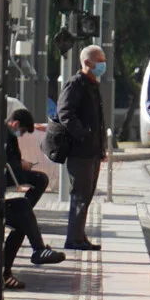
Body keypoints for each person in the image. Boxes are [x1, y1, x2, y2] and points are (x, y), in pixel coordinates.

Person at [1, 108, 64, 289]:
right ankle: (37, 250)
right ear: (15, 124)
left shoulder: (8, 136)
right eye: (21, 131)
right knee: (23, 211)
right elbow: (7, 163)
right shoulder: (2, 136)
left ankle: (7, 272)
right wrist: (21, 165)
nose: (20, 135)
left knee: (23, 214)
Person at [56, 45, 111, 251]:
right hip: (80, 152)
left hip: (92, 151)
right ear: (87, 62)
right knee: (80, 195)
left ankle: (79, 236)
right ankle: (74, 239)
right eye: (100, 60)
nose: (103, 64)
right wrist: (83, 134)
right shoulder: (75, 84)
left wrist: (100, 148)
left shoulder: (92, 84)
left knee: (86, 195)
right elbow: (65, 113)